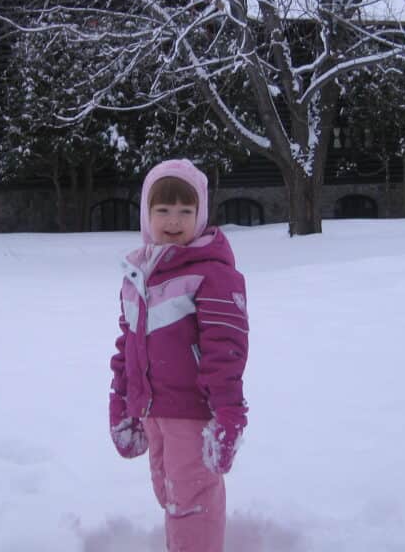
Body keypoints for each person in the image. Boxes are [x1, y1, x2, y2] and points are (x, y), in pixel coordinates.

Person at [108, 158, 249, 552]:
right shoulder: (139, 274)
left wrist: (228, 415)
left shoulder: (211, 273)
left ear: (200, 214)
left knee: (191, 499)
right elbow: (128, 345)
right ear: (146, 214)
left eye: (186, 211)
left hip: (192, 411)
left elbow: (227, 351)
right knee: (168, 492)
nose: (174, 220)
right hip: (153, 409)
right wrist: (123, 402)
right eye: (163, 210)